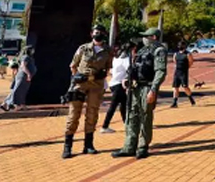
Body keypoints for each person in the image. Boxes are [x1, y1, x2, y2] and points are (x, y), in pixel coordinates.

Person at [111, 28, 167, 159]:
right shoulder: (142, 50)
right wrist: (127, 79)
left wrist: (153, 90)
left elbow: (160, 72)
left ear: (153, 37)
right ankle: (129, 146)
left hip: (147, 87)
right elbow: (135, 67)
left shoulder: (159, 51)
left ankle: (142, 147)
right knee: (132, 115)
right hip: (135, 88)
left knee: (145, 116)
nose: (144, 39)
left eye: (146, 36)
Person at [61, 25, 112, 159]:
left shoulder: (108, 51)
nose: (98, 35)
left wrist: (103, 75)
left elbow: (108, 67)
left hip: (96, 85)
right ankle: (67, 146)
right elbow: (73, 65)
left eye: (101, 33)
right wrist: (75, 76)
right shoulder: (83, 48)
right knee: (73, 115)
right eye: (96, 33)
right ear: (91, 34)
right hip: (80, 84)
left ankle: (88, 145)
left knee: (92, 114)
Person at [101, 42, 134, 134]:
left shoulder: (116, 59)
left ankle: (126, 123)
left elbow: (112, 70)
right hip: (119, 85)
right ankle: (105, 126)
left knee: (123, 105)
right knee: (114, 106)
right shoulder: (126, 60)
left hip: (113, 84)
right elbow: (130, 71)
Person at [0, 45, 36, 112]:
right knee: (18, 90)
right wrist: (28, 74)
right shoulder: (26, 57)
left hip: (23, 76)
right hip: (23, 76)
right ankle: (15, 104)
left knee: (20, 90)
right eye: (31, 50)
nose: (33, 51)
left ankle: (10, 104)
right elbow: (23, 66)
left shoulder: (29, 57)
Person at [170, 41, 196, 107]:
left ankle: (191, 99)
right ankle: (175, 102)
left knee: (185, 87)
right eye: (179, 45)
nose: (180, 46)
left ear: (184, 46)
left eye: (181, 45)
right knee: (175, 87)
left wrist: (186, 68)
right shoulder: (176, 54)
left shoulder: (188, 54)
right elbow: (174, 61)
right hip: (177, 73)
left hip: (183, 73)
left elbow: (191, 62)